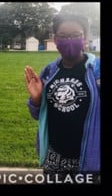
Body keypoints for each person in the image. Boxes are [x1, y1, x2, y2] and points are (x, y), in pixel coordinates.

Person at [24, 13, 100, 183]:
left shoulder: (97, 70)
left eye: (75, 35)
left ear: (85, 38)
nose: (69, 41)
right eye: (63, 36)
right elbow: (38, 115)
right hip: (54, 157)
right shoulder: (49, 71)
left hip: (88, 159)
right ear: (56, 40)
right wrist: (37, 100)